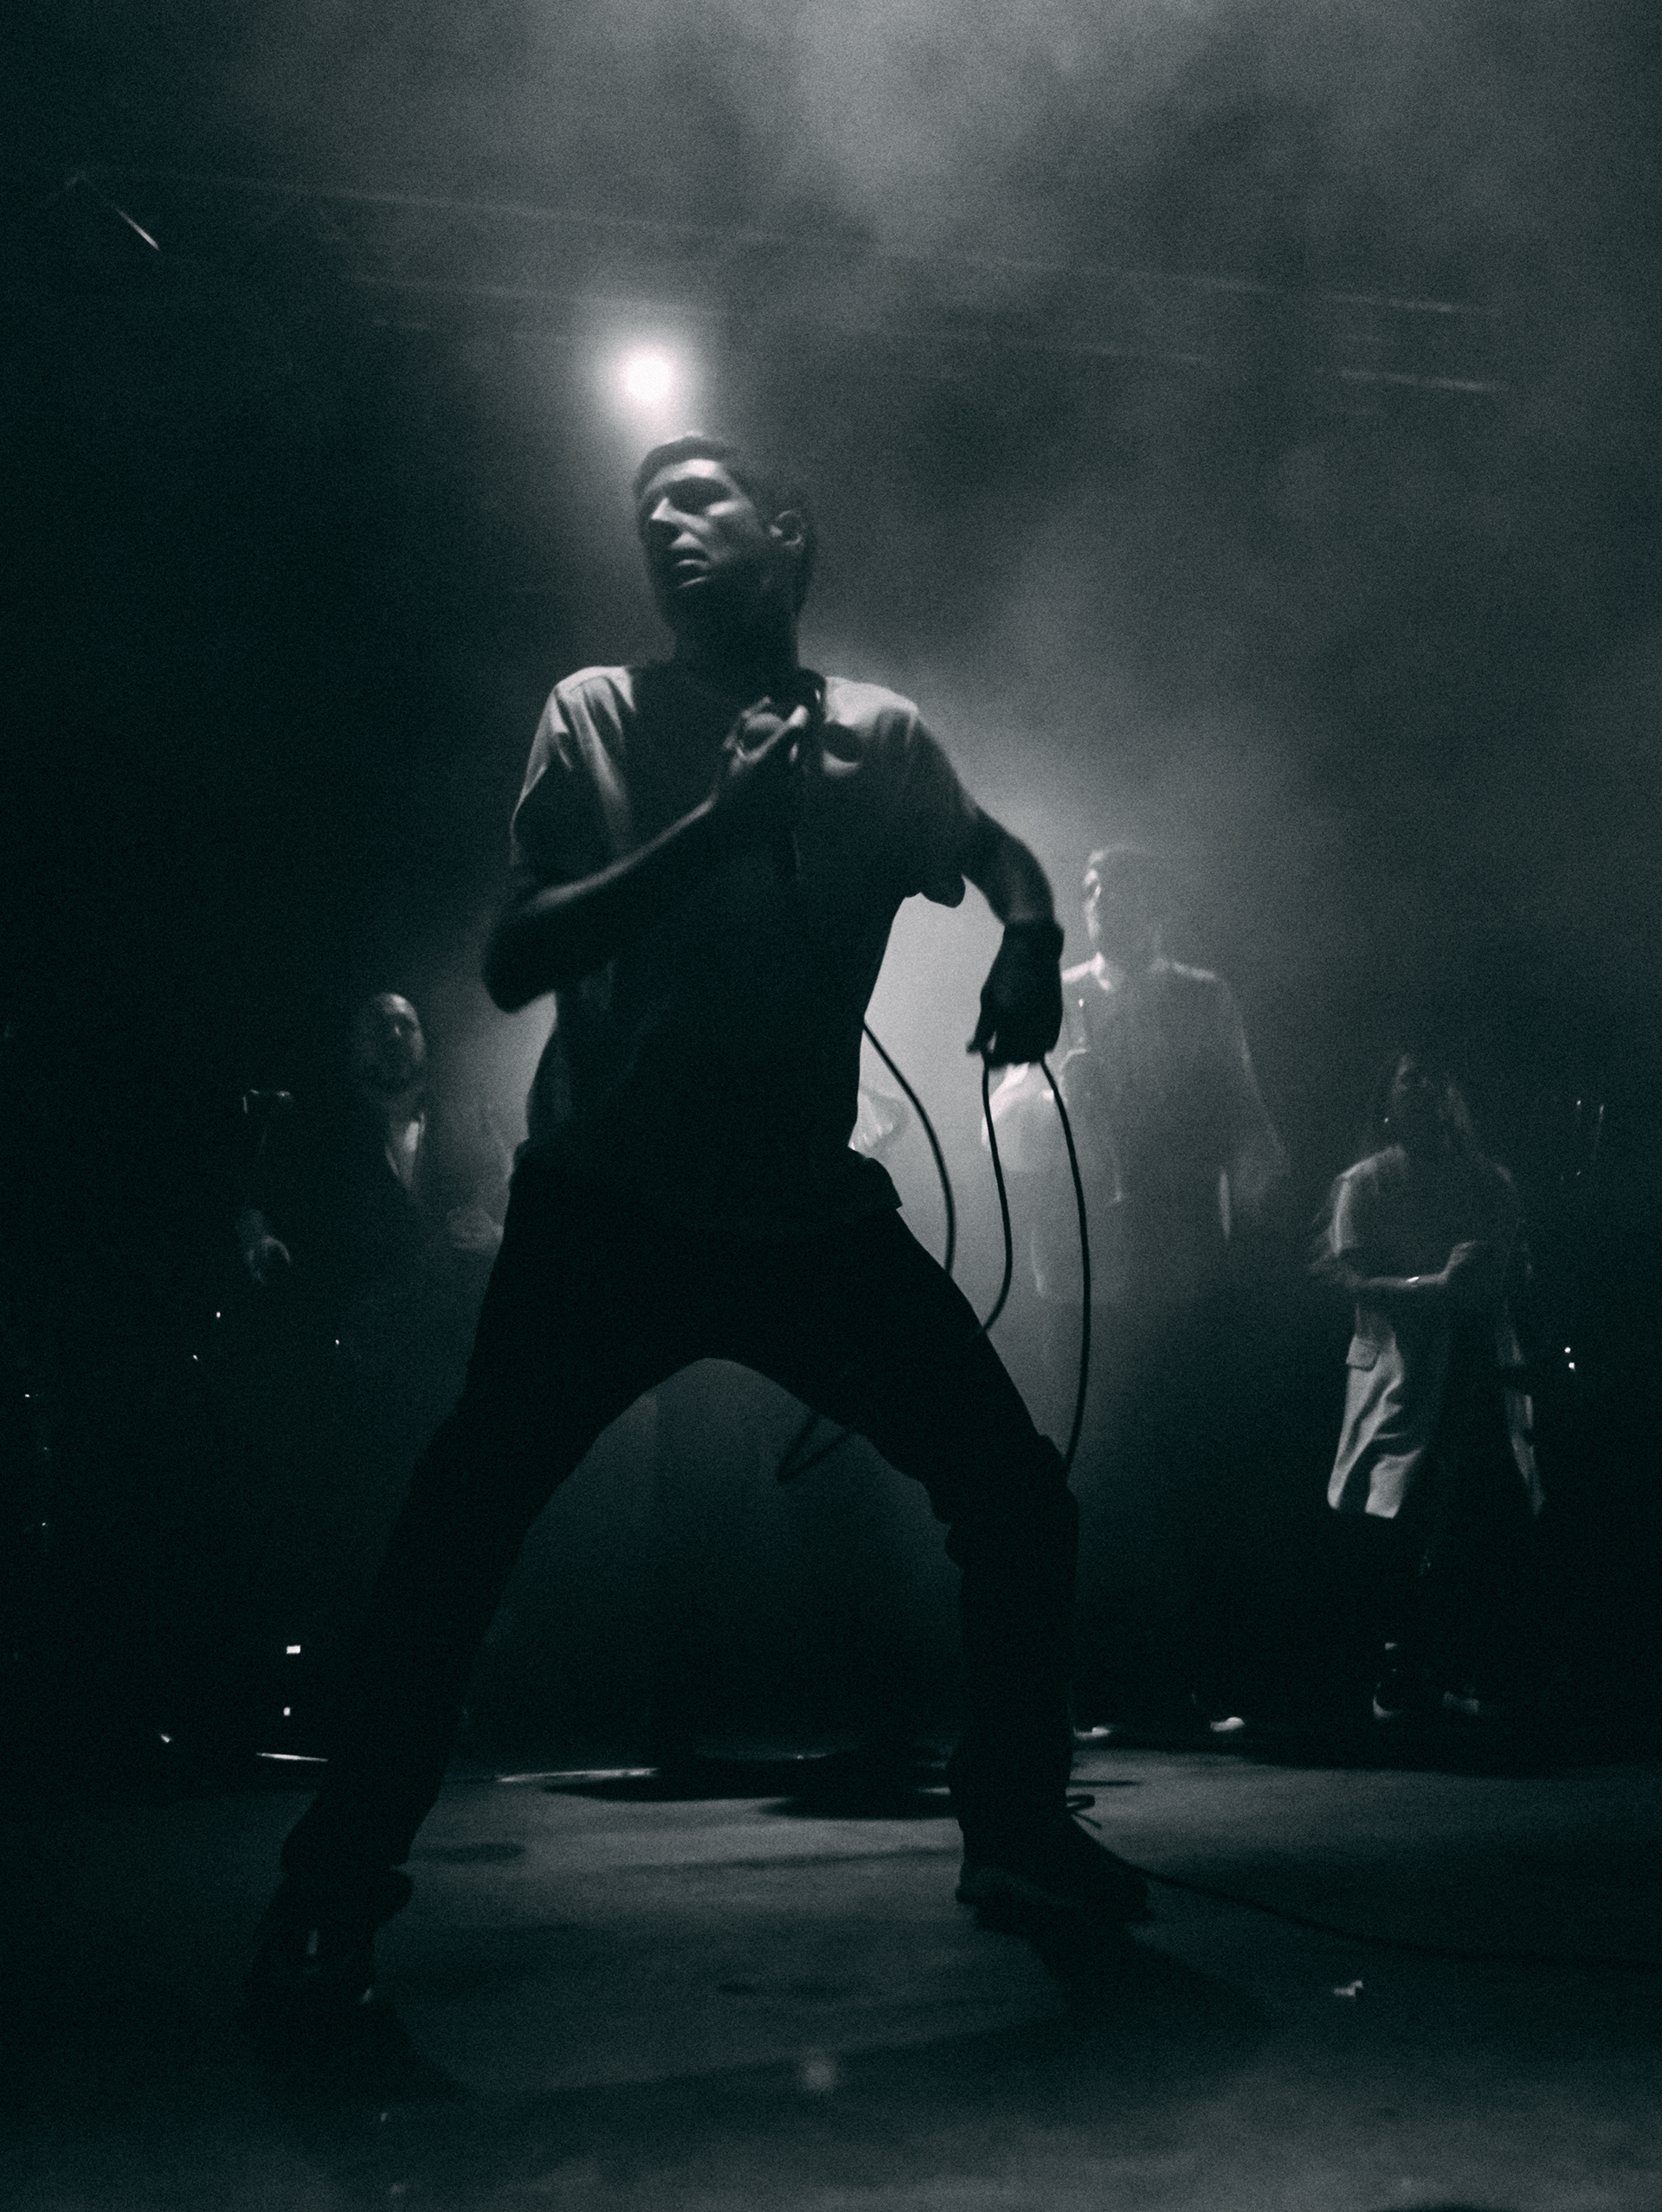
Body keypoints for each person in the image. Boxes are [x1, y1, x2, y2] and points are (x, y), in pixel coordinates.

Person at [245, 434, 1150, 2034]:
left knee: (1016, 1493)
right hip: (608, 1207)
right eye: (642, 508)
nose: (660, 521)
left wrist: (1031, 932)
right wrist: (717, 835)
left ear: (783, 530)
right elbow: (516, 956)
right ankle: (334, 1878)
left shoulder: (883, 734)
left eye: (696, 497)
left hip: (800, 1212)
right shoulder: (597, 710)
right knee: (459, 1532)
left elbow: (992, 848)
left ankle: (1016, 1830)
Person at [989, 846, 1286, 1727]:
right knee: (1096, 1475)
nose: (1098, 903)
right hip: (1082, 1271)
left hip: (1185, 1267)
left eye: (1116, 889)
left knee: (1195, 1472)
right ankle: (1107, 1686)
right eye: (1090, 890)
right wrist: (1059, 1095)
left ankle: (1205, 1679)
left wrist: (1247, 1198)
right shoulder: (1053, 991)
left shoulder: (1204, 995)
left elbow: (1244, 1113)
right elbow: (1001, 1124)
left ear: (1156, 905)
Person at [230, 993, 512, 1727]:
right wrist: (262, 1243)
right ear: (351, 1046)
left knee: (456, 1527)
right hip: (362, 1363)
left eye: (405, 1024)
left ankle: (454, 1689)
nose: (393, 1035)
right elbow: (259, 1201)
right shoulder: (319, 1127)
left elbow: (519, 1203)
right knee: (366, 1529)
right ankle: (362, 1691)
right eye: (378, 1025)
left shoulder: (469, 1118)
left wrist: (497, 1237)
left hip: (451, 1361)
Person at [1320, 1051, 1544, 1727]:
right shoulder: (1365, 1183)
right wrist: (1435, 1288)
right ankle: (1398, 1664)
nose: (1426, 1088)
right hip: (1402, 1376)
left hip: (1479, 1372)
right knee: (1396, 1518)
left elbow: (1515, 1271)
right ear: (1388, 1098)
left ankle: (1458, 1663)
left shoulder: (1490, 1181)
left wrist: (1500, 1279)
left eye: (1435, 1076)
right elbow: (1352, 1281)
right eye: (1410, 1077)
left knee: (1474, 1515)